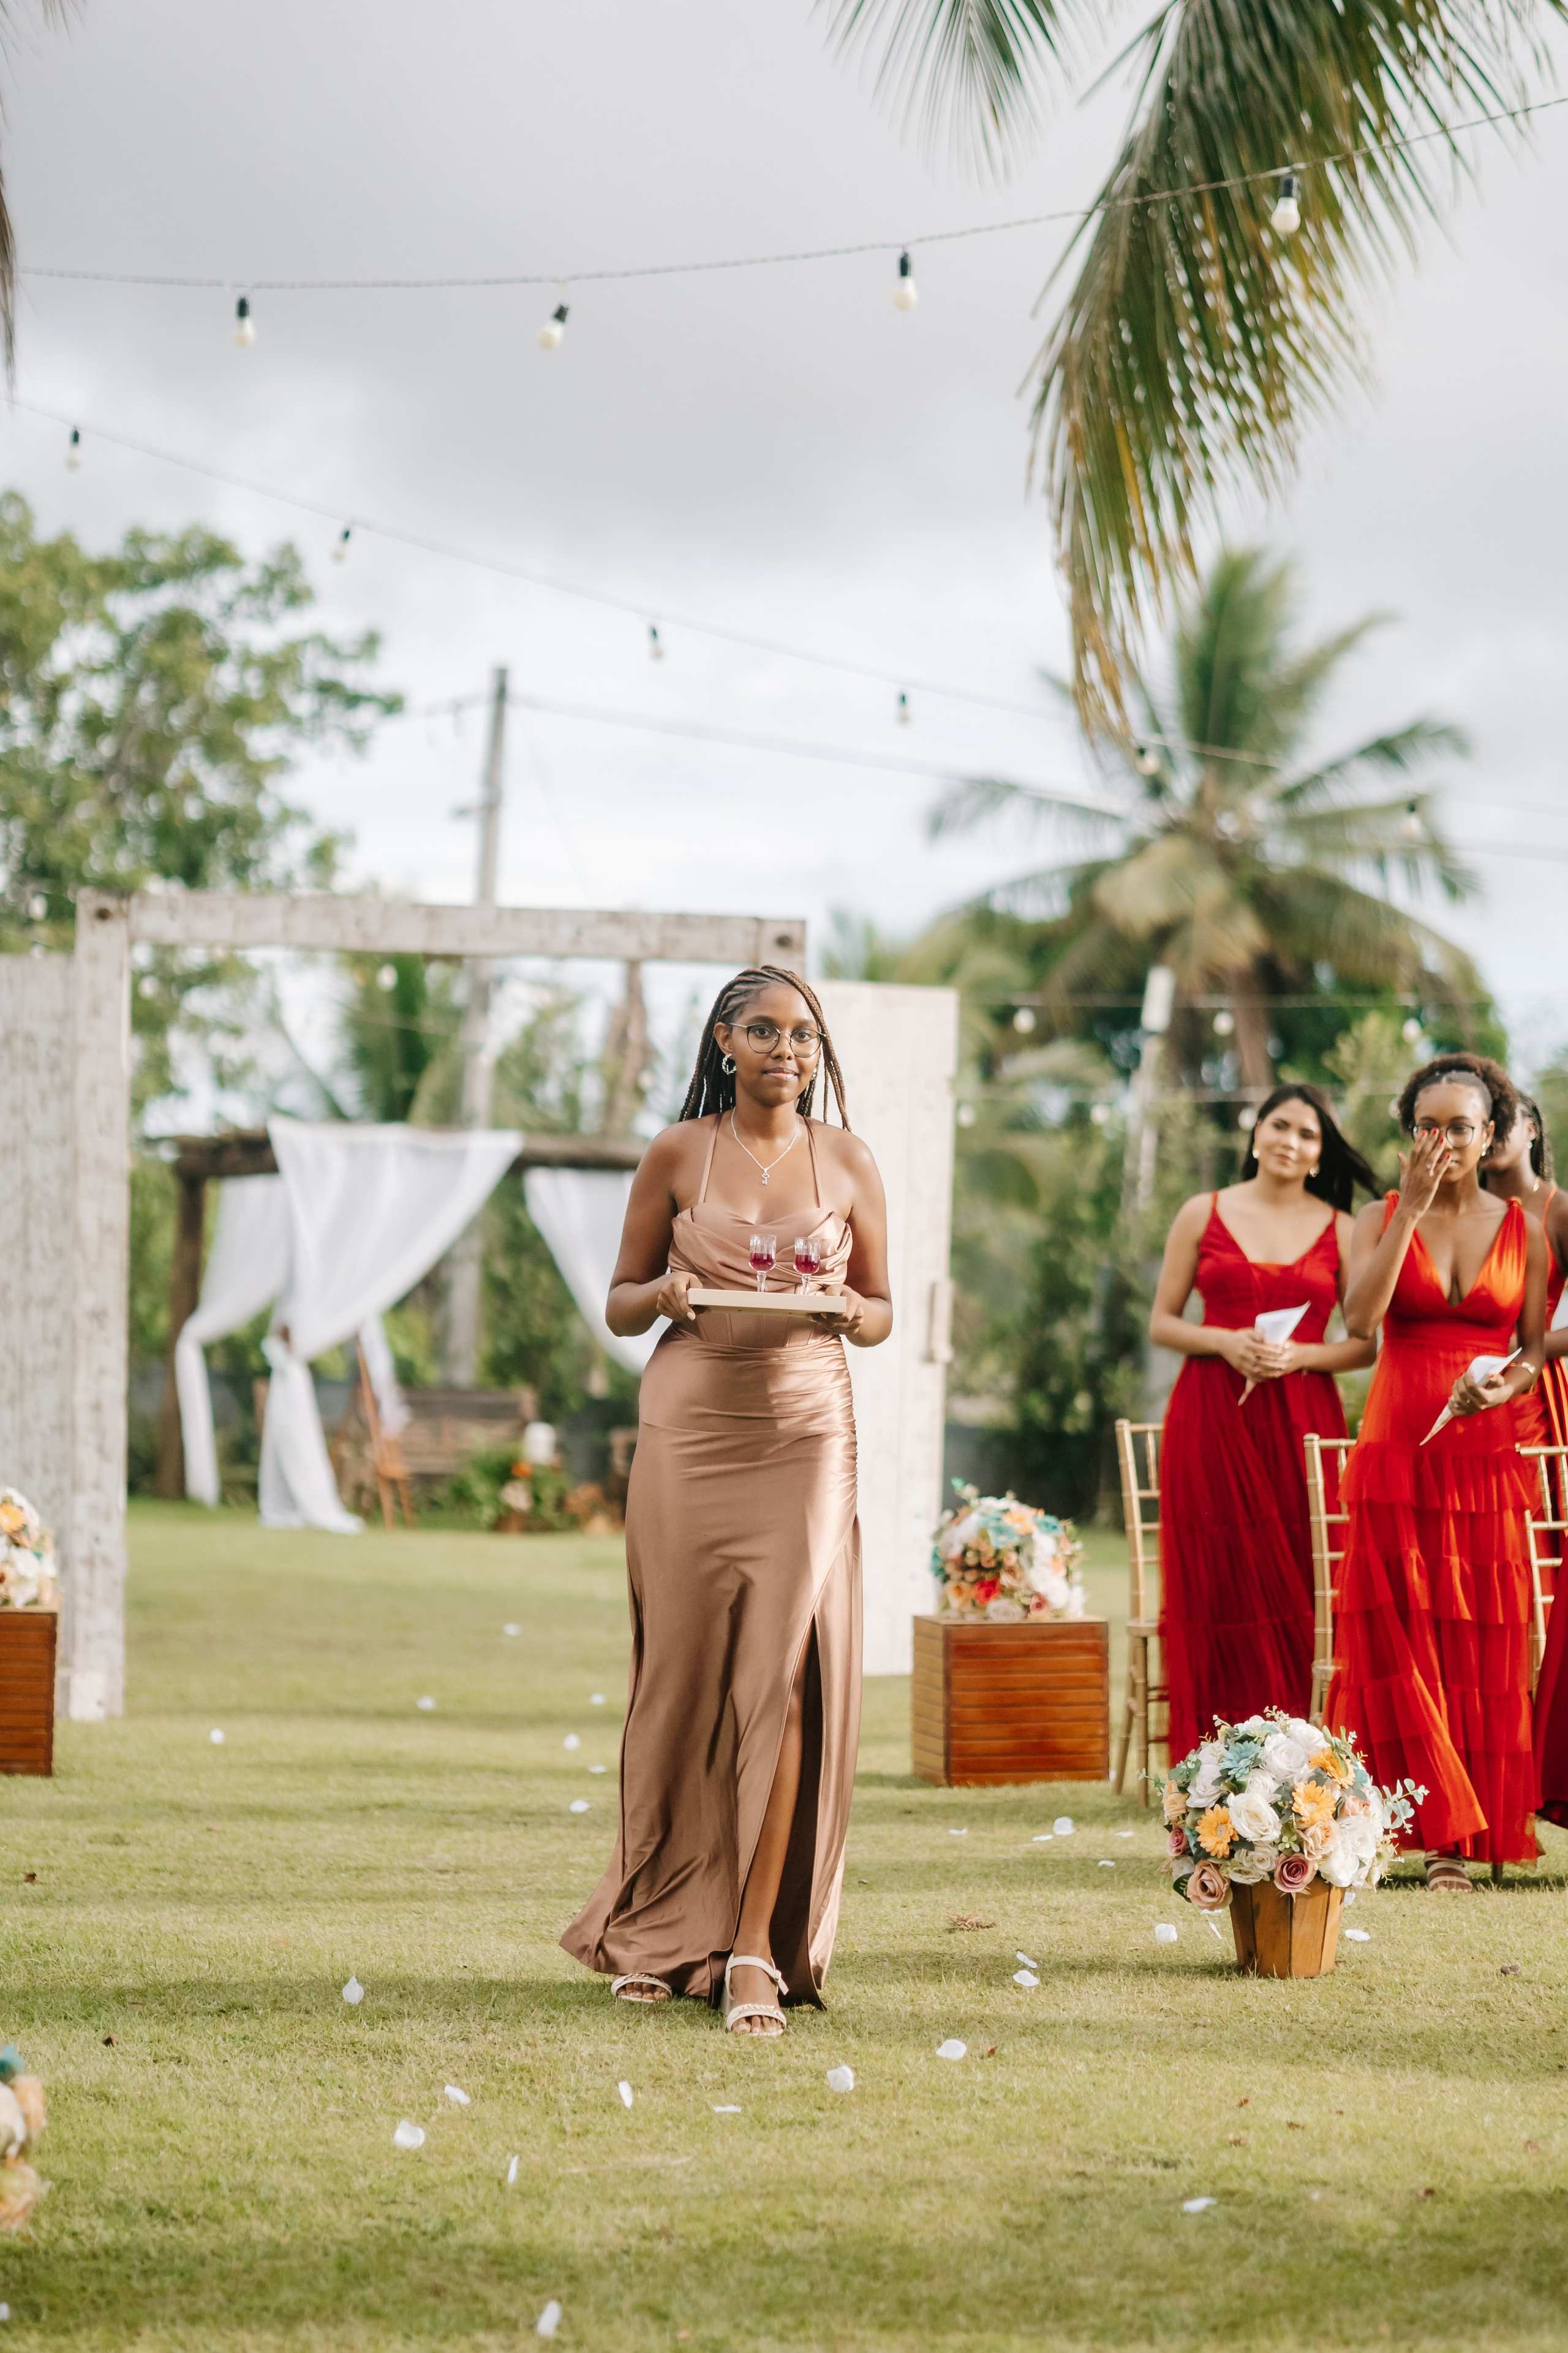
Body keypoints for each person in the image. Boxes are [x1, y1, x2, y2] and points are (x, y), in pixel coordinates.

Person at [560, 967, 892, 2035]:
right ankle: (660, 1927)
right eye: (764, 1030)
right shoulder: (677, 1151)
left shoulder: (848, 1158)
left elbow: (882, 1308)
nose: (786, 1050)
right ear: (724, 1040)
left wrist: (846, 1308)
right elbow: (619, 1305)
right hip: (690, 1428)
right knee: (682, 1679)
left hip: (805, 1430)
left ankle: (754, 1947)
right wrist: (663, 1292)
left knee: (779, 1679)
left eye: (804, 1035)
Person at [1328, 1054, 1547, 1888]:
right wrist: (1410, 1211)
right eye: (1429, 1126)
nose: (1444, 1141)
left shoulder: (1526, 1229)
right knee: (1401, 1634)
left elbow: (1533, 1351)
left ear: (1490, 1135)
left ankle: (1468, 1829)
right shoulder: (1378, 1215)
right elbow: (1360, 1320)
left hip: (1483, 1452)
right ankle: (1424, 1833)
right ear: (1409, 1134)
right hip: (1397, 1446)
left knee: (1476, 1637)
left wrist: (1505, 1386)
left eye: (1461, 1127)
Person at [1150, 1084, 1378, 1761]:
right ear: (1256, 1132)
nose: (1290, 1141)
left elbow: (1365, 1344)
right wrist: (1224, 1341)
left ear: (1320, 1154)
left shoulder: (1343, 1229)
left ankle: (1297, 1757)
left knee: (1304, 1576)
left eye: (1308, 1134)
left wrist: (1300, 1355)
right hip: (1209, 1417)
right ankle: (1212, 1760)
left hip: (1302, 1420)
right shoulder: (1203, 1210)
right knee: (1214, 1579)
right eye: (1280, 1125)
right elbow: (1162, 1322)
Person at [1484, 1087, 1568, 1826]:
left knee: (1534, 1571)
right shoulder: (1465, 1211)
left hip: (1537, 1394)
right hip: (1465, 1384)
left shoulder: (1557, 1209)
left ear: (1532, 1129)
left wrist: (1524, 1353)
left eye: (1503, 1117)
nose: (1490, 1131)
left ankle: (1533, 1752)